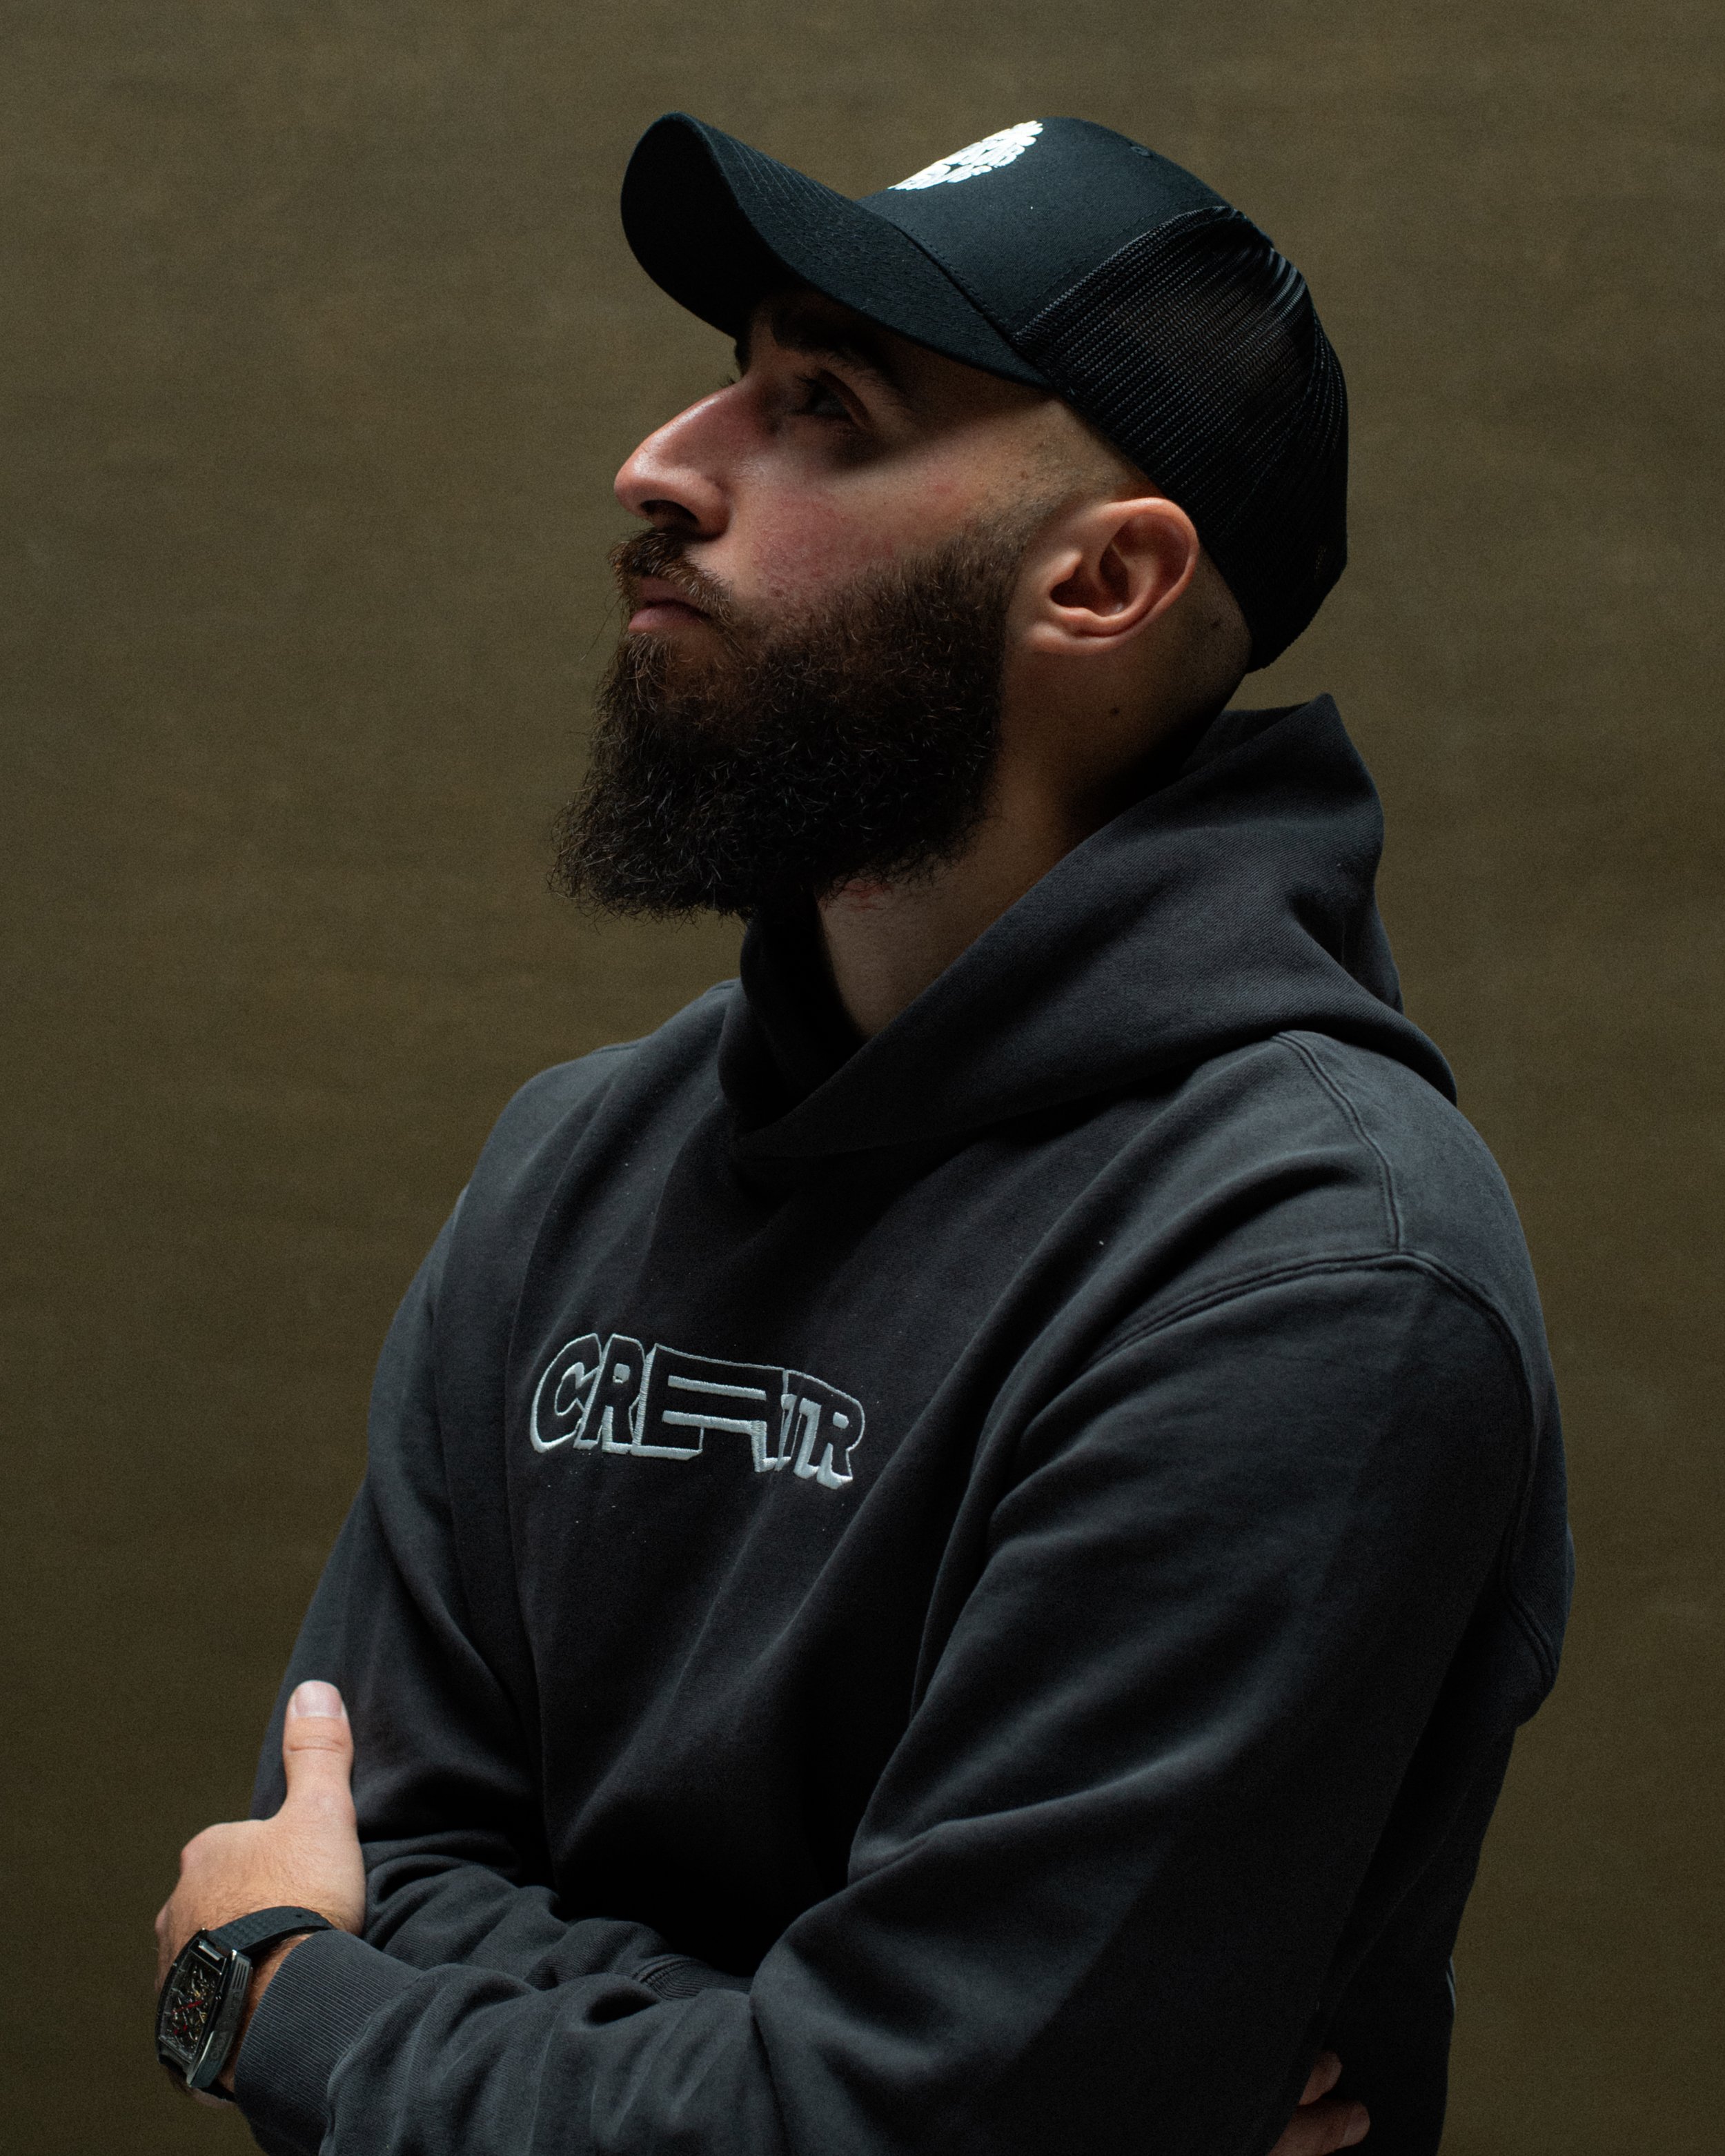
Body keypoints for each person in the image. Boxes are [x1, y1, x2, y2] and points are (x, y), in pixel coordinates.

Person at [155, 114, 1571, 2156]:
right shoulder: (576, 1160)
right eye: (737, 372)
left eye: (822, 403)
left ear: (1100, 579)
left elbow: (865, 2125)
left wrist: (284, 2003)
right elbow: (440, 1868)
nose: (663, 462)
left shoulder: (1311, 1269)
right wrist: (867, 2076)